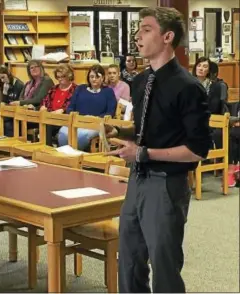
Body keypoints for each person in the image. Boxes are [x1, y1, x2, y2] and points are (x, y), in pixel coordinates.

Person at [104, 7, 212, 293]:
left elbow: (198, 150)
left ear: (167, 37)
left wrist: (144, 153)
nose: (138, 36)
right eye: (138, 29)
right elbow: (148, 131)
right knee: (128, 260)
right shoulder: (140, 82)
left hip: (166, 184)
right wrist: (120, 133)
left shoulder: (188, 87)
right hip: (137, 179)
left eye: (146, 29)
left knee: (164, 265)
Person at [58, 64, 117, 151]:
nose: (94, 79)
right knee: (63, 133)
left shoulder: (108, 91)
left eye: (97, 77)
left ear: (103, 77)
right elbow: (70, 107)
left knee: (81, 136)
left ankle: (77, 156)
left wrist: (95, 118)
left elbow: (110, 112)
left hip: (95, 123)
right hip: (77, 121)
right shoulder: (80, 88)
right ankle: (67, 157)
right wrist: (76, 117)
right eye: (91, 76)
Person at [7, 60, 54, 137]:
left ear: (41, 68)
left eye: (36, 67)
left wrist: (21, 103)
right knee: (7, 121)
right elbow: (20, 98)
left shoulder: (46, 81)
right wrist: (23, 104)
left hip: (37, 114)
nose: (34, 69)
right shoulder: (28, 84)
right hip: (25, 112)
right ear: (29, 71)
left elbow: (38, 99)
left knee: (10, 122)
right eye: (31, 68)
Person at [40, 64, 77, 146]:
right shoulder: (54, 88)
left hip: (65, 119)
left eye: (63, 76)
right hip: (50, 116)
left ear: (69, 76)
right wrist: (43, 106)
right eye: (58, 77)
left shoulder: (75, 89)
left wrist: (63, 109)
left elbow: (73, 105)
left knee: (47, 124)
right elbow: (45, 100)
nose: (60, 79)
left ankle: (47, 149)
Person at [0, 65, 24, 133]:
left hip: (17, 112)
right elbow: (4, 103)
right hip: (8, 111)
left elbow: (20, 102)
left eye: (3, 77)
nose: (2, 80)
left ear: (8, 74)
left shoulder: (19, 85)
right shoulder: (5, 85)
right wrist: (4, 93)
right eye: (0, 79)